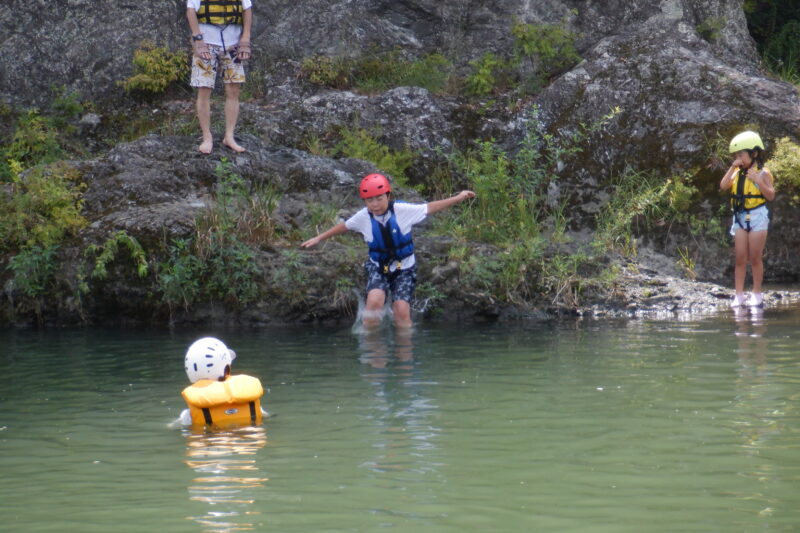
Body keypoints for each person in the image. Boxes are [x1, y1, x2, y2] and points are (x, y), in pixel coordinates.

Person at [301, 173, 475, 328]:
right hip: (379, 267)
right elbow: (344, 226)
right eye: (370, 201)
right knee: (374, 304)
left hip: (404, 268)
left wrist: (458, 198)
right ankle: (373, 354)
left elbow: (430, 207)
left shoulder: (402, 211)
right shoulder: (363, 217)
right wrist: (318, 238)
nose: (375, 204)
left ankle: (404, 357)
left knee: (401, 312)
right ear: (364, 202)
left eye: (379, 199)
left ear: (388, 195)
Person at [186, 0, 252, 154]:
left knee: (234, 89)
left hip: (233, 44)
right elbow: (191, 11)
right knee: (204, 88)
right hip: (206, 43)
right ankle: (207, 137)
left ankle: (229, 136)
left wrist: (245, 37)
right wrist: (197, 38)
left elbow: (247, 9)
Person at [719, 131, 775, 308]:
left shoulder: (764, 173)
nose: (739, 158)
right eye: (736, 155)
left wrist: (758, 180)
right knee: (740, 258)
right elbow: (723, 186)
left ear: (754, 154)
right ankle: (739, 295)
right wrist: (732, 167)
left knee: (755, 257)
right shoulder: (736, 172)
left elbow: (771, 195)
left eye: (741, 154)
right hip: (740, 217)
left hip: (758, 216)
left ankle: (756, 293)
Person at [178, 337, 266, 428]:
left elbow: (176, 427)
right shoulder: (250, 401)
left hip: (212, 440)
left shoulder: (187, 415)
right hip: (249, 439)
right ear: (226, 368)